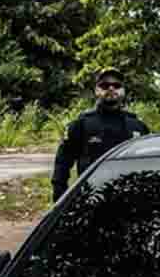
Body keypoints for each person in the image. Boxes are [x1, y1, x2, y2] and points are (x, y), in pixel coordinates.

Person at [51, 68, 150, 202]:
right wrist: (60, 197)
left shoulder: (137, 126)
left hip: (129, 199)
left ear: (123, 91)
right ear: (96, 90)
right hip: (92, 198)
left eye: (116, 85)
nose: (111, 88)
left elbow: (148, 165)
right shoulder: (81, 124)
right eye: (104, 85)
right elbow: (62, 163)